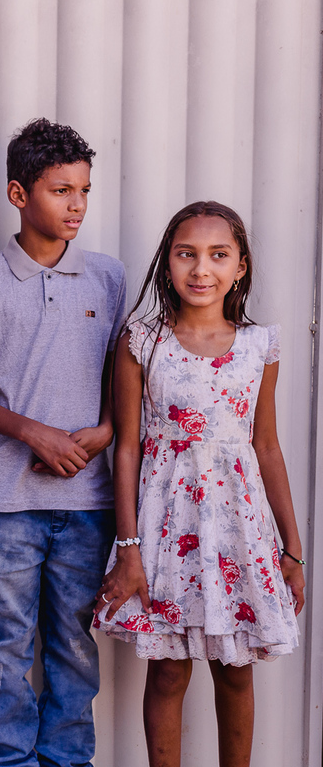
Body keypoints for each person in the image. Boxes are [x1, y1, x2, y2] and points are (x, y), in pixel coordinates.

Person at [0, 118, 127, 767]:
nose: (75, 204)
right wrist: (31, 432)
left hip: (86, 504)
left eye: (83, 190)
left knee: (73, 651)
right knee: (4, 654)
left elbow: (119, 380)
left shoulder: (109, 278)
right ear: (20, 196)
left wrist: (104, 431)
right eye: (59, 190)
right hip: (2, 505)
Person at [94, 201, 305, 767]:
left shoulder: (260, 347)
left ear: (241, 266)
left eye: (218, 255)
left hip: (240, 531)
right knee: (166, 672)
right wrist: (129, 549)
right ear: (167, 263)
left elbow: (266, 447)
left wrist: (293, 550)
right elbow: (129, 448)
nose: (200, 269)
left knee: (236, 671)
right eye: (185, 254)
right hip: (168, 533)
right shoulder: (143, 343)